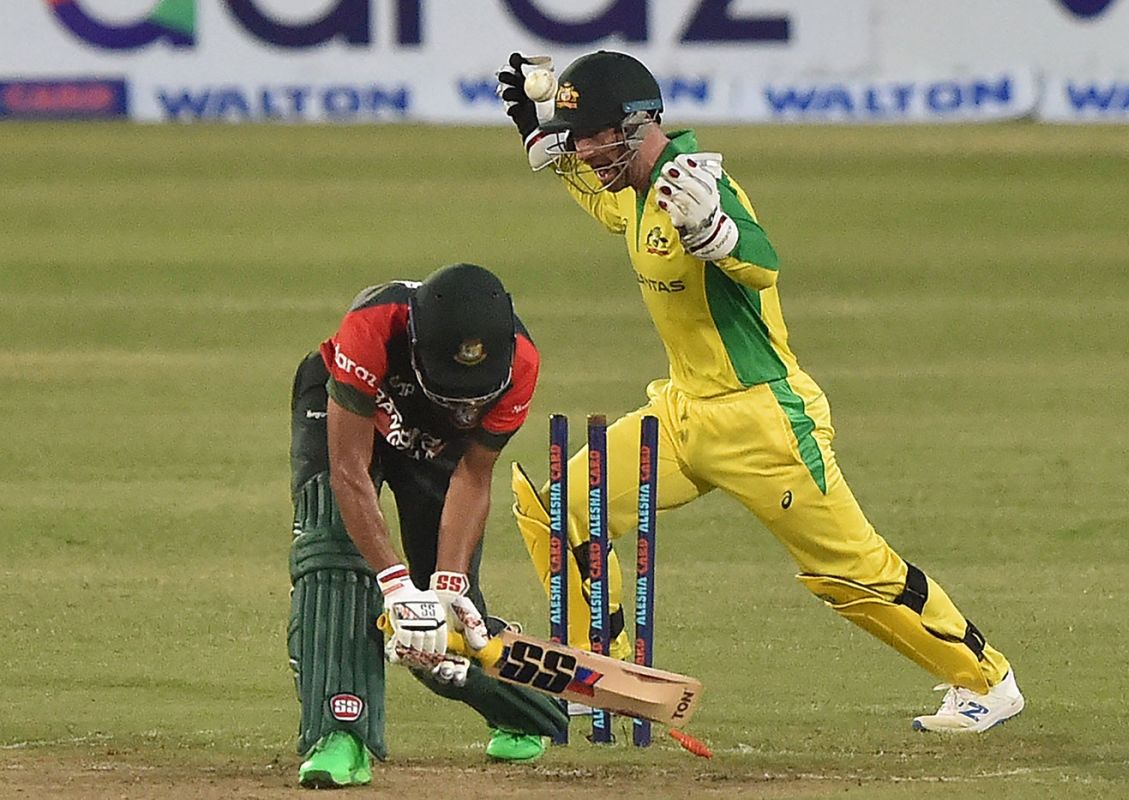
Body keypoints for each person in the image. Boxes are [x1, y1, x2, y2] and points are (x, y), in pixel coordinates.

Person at [496, 51, 1025, 733]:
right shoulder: (634, 192)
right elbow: (608, 203)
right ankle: (605, 671)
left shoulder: (697, 186)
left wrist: (716, 236)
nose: (588, 151)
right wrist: (544, 141)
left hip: (763, 423)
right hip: (682, 415)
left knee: (851, 575)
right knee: (554, 508)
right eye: (581, 138)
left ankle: (987, 681)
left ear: (638, 124)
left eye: (596, 136)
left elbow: (763, 259)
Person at [287, 263, 567, 789]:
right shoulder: (373, 326)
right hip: (353, 411)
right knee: (332, 559)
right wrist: (394, 583)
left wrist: (447, 584)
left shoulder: (521, 364)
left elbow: (474, 474)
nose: (463, 401)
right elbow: (348, 470)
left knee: (444, 623)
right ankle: (340, 733)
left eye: (474, 393)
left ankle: (526, 708)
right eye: (450, 387)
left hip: (439, 449)